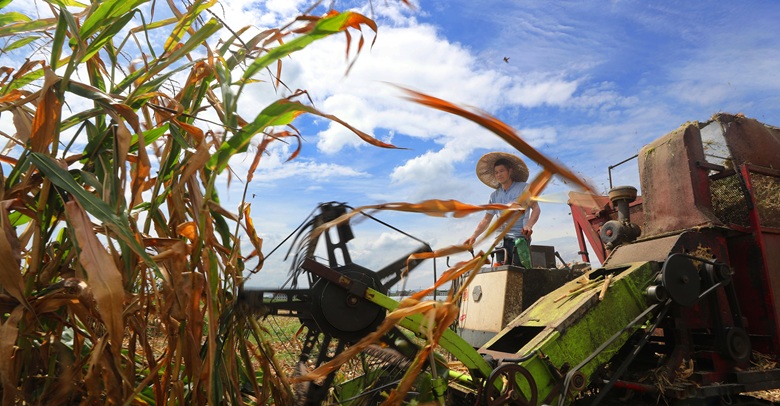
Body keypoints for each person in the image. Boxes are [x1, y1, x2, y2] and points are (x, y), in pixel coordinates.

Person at [464, 152, 541, 267]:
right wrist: (473, 236)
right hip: (500, 242)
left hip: (519, 239)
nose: (499, 174)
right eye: (496, 172)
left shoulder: (523, 188)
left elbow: (536, 208)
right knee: (501, 274)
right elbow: (486, 219)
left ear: (510, 171)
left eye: (502, 171)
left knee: (520, 273)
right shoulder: (494, 196)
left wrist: (529, 225)